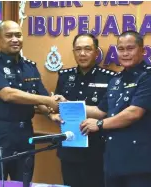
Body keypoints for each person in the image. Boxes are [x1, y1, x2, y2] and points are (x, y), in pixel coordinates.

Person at [80, 30, 151, 187]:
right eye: (121, 49)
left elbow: (134, 113)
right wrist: (63, 105)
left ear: (143, 51)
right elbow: (100, 111)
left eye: (130, 48)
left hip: (141, 163)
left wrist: (99, 124)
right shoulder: (116, 80)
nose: (125, 53)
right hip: (114, 162)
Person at [0, 20, 59, 182]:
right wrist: (48, 100)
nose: (15, 39)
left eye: (18, 35)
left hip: (25, 133)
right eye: (9, 36)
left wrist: (51, 115)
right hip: (0, 134)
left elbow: (41, 98)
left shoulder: (30, 66)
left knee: (23, 181)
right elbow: (8, 94)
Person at [49, 33, 117, 187]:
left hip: (96, 148)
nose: (82, 54)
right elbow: (56, 105)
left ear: (96, 52)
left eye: (88, 49)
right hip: (69, 146)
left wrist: (68, 103)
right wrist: (54, 115)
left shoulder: (109, 78)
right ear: (73, 52)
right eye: (78, 49)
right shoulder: (65, 76)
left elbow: (107, 111)